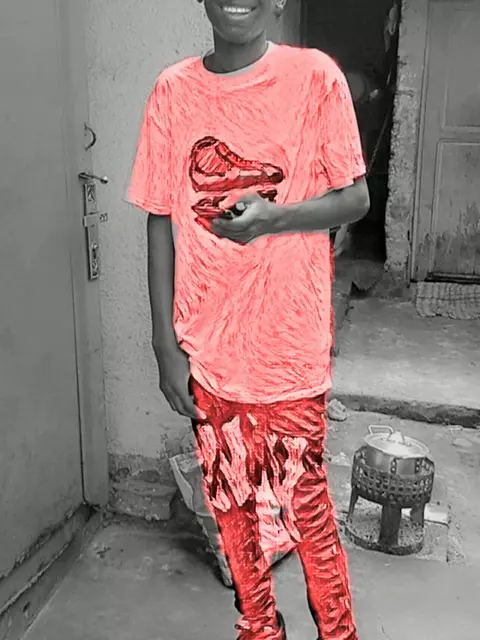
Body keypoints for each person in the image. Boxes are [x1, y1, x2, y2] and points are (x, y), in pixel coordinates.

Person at [127, 1, 369, 638]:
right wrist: (164, 344)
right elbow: (159, 218)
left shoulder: (315, 78)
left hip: (289, 345)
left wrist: (274, 217)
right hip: (206, 348)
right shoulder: (173, 91)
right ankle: (259, 626)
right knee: (230, 499)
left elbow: (355, 198)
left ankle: (338, 631)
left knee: (306, 503)